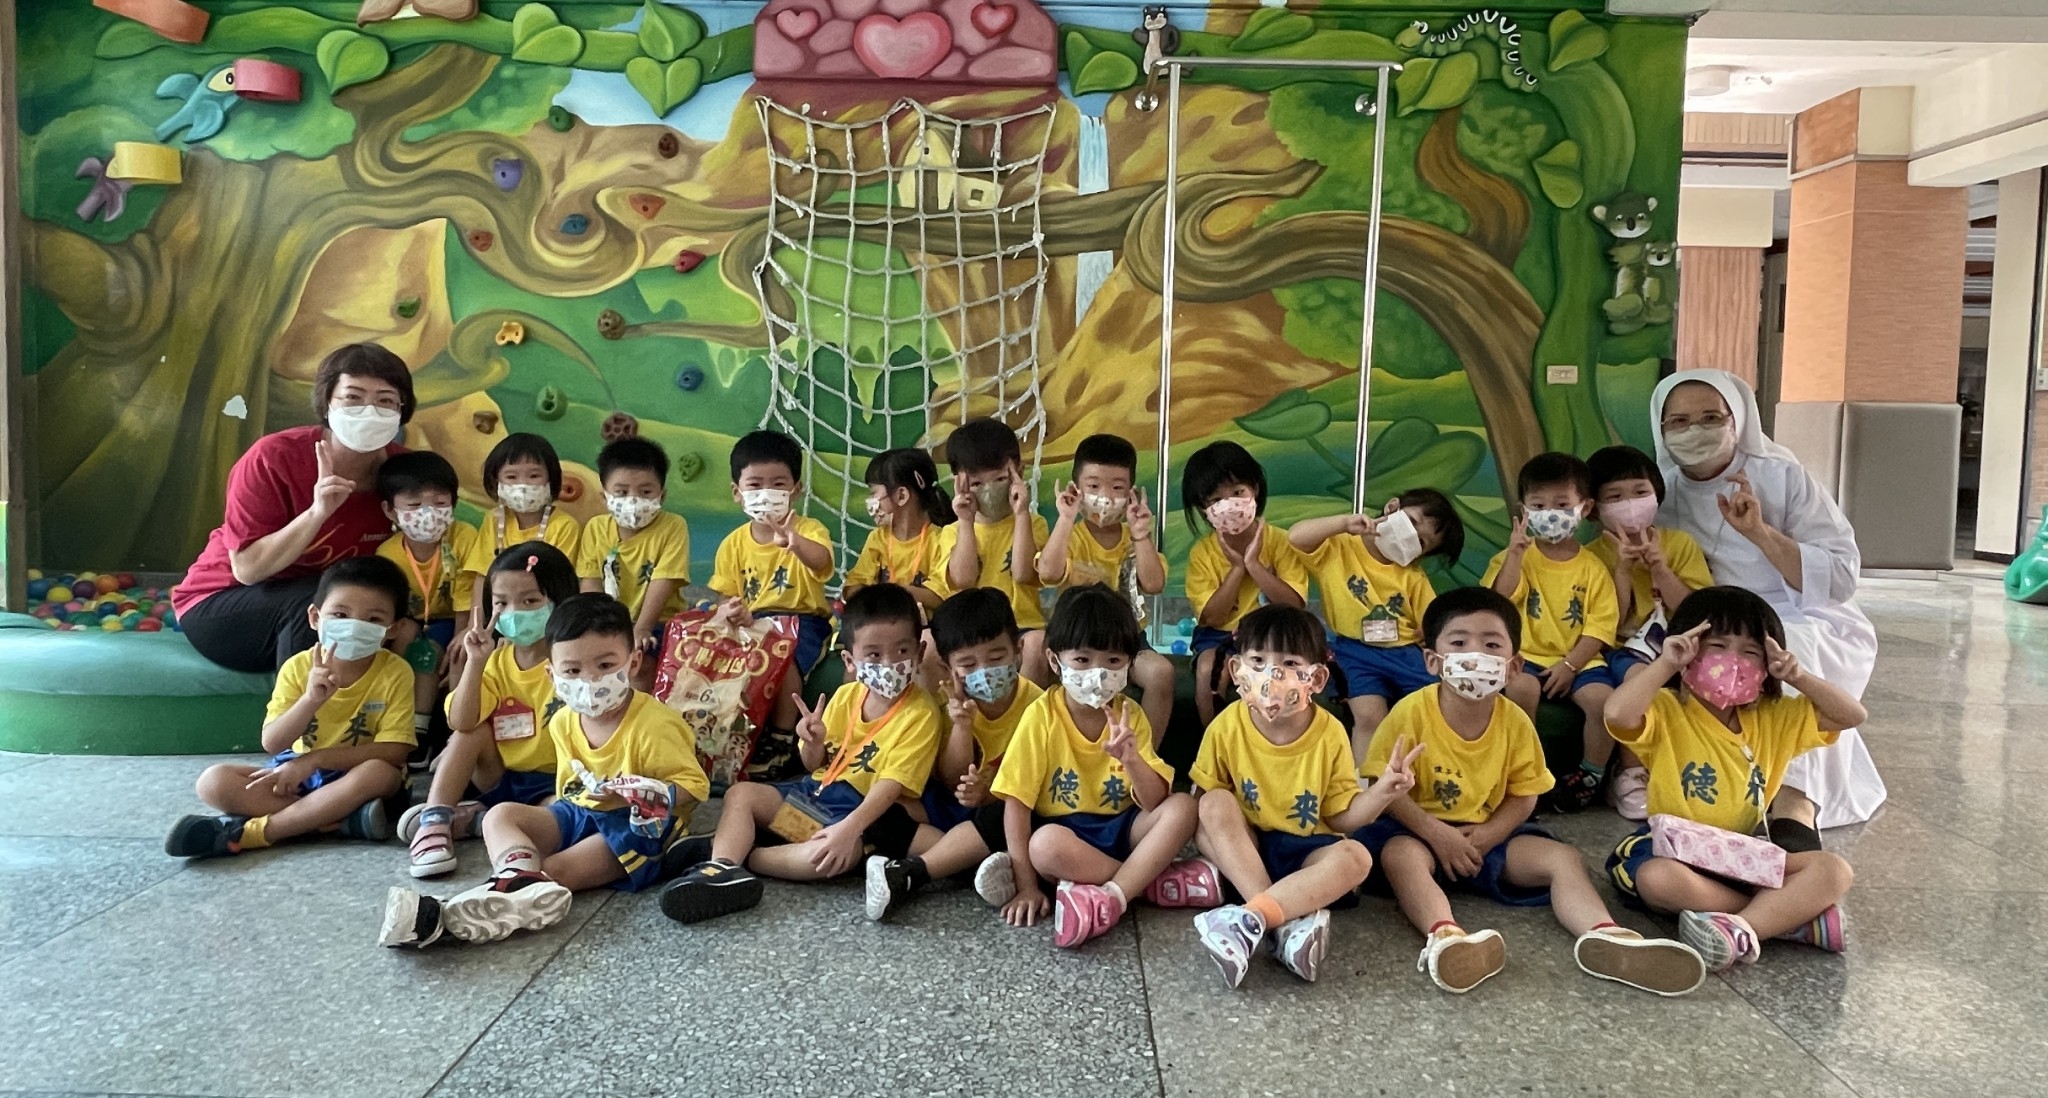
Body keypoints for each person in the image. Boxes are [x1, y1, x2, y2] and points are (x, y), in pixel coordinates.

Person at [1358, 587, 1705, 996]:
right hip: (1420, 832)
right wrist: (1437, 834)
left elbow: (1525, 795)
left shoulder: (1516, 722)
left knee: (1563, 858)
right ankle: (1446, 937)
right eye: (1459, 643)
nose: (1476, 653)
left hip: (1490, 834)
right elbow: (1386, 790)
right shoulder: (1409, 713)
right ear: (1433, 661)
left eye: (1492, 645)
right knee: (1400, 856)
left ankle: (1607, 935)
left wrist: (1491, 833)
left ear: (1514, 666)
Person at [379, 593, 710, 948]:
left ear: (633, 663)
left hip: (636, 827)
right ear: (552, 675)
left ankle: (446, 921)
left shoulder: (656, 724)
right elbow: (570, 789)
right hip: (579, 811)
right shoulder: (564, 720)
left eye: (605, 665)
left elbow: (695, 786)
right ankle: (518, 875)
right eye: (573, 671)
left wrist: (649, 793)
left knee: (555, 870)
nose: (590, 680)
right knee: (500, 816)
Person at [1649, 368, 1886, 833]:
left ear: (1737, 420)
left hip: (1803, 612)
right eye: (1678, 422)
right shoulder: (1662, 491)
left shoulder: (1782, 477)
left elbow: (1840, 577)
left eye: (1710, 417)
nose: (1694, 430)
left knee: (1784, 647)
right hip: (1708, 615)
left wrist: (1760, 533)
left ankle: (1795, 806)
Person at [1604, 586, 1862, 971]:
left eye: (1750, 652)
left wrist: (1799, 676)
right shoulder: (1668, 709)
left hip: (1740, 854)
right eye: (1717, 645)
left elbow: (1851, 715)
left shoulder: (1775, 716)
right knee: (1657, 879)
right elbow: (1616, 714)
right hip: (1674, 849)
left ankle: (1743, 926)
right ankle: (1790, 921)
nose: (1733, 660)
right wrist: (1666, 664)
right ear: (1690, 650)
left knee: (1834, 870)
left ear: (1768, 665)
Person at [659, 584, 944, 924]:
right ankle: (721, 867)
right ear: (850, 661)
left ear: (920, 651)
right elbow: (814, 765)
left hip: (856, 814)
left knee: (824, 858)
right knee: (742, 794)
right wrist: (812, 743)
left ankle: (739, 857)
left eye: (902, 651)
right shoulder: (846, 696)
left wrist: (847, 831)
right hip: (813, 796)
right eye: (874, 655)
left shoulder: (921, 713)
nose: (889, 664)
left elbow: (891, 786)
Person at [1186, 606, 1407, 988]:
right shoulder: (1226, 725)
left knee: (1357, 856)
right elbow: (1206, 804)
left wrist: (1381, 793)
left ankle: (1251, 919)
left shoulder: (1331, 732)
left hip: (1308, 856)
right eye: (1258, 661)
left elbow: (1340, 817)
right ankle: (1283, 924)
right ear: (1236, 670)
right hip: (1249, 853)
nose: (1271, 674)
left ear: (1316, 677)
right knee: (1211, 805)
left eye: (1289, 663)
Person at [986, 585, 1207, 949]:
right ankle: (1149, 883)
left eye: (1113, 661)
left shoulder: (1131, 714)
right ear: (1055, 661)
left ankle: (1112, 896)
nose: (1098, 673)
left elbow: (1154, 801)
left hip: (1123, 828)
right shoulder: (1040, 716)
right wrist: (1026, 886)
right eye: (1082, 660)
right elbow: (1017, 804)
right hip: (1068, 839)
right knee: (1043, 845)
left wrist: (1132, 759)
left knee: (1183, 806)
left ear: (1129, 665)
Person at [175, 344, 413, 672]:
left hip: (336, 605)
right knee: (325, 601)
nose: (369, 411)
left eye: (385, 400)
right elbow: (248, 570)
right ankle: (300, 706)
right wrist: (317, 512)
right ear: (327, 402)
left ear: (402, 409)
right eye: (353, 397)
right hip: (223, 604)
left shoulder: (407, 473)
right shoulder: (273, 458)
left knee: (383, 611)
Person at [165, 556, 415, 858]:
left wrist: (315, 760)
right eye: (340, 614)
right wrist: (311, 699)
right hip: (299, 775)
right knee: (214, 782)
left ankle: (256, 833)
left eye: (373, 620)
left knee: (379, 773)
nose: (354, 627)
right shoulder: (298, 667)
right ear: (315, 617)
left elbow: (395, 751)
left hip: (355, 776)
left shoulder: (395, 672)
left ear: (394, 628)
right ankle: (338, 821)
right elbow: (273, 743)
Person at [862, 586, 1045, 921]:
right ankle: (974, 863)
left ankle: (911, 873)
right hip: (952, 810)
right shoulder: (948, 705)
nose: (984, 671)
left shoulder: (1039, 707)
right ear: (948, 668)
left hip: (998, 812)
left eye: (996, 658)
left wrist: (988, 795)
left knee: (1008, 813)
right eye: (968, 664)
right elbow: (950, 780)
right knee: (881, 814)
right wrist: (961, 725)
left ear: (1018, 650)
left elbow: (1032, 789)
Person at [399, 542, 580, 878]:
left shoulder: (576, 663)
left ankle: (477, 820)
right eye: (501, 603)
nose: (514, 612)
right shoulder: (496, 662)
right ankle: (436, 820)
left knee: (565, 819)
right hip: (500, 776)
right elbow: (461, 720)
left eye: (530, 601)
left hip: (556, 784)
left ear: (561, 601)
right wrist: (476, 663)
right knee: (470, 732)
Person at [1586, 445, 1716, 820]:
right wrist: (1623, 571)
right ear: (1593, 508)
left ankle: (1703, 767)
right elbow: (1610, 622)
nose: (1629, 504)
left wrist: (1660, 569)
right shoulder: (1592, 555)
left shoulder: (1679, 544)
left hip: (1681, 643)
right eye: (1615, 497)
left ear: (1657, 494)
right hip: (1623, 649)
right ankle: (1631, 772)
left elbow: (1695, 610)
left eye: (1640, 492)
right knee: (1640, 679)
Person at [1484, 452, 1620, 811]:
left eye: (1562, 504)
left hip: (1579, 660)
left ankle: (1589, 777)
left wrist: (1570, 665)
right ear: (1524, 511)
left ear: (1584, 507)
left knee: (1603, 702)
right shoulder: (1514, 556)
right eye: (1539, 505)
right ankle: (1525, 771)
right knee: (1521, 688)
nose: (1551, 513)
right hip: (1524, 656)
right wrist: (1514, 556)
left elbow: (1600, 627)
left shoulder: (1593, 568)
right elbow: (1497, 601)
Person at [1289, 489, 1464, 755]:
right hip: (1355, 653)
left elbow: (1434, 621)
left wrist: (1429, 632)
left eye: (1421, 541)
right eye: (1412, 521)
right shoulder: (1338, 547)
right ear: (1392, 507)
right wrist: (1344, 523)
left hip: (1406, 654)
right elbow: (1296, 537)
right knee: (1369, 718)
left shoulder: (1413, 576)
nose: (1411, 536)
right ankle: (1366, 779)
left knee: (1435, 711)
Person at [708, 429, 838, 773]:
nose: (766, 493)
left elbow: (822, 562)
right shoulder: (733, 544)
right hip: (754, 620)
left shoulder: (808, 529)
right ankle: (731, 738)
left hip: (802, 620)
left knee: (782, 654)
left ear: (796, 489)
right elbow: (726, 595)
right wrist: (730, 611)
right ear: (737, 493)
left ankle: (781, 738)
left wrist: (795, 543)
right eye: (755, 485)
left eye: (778, 484)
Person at [1036, 435, 1176, 741]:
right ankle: (1037, 742)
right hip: (1074, 640)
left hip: (1126, 641)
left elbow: (1154, 584)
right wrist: (1065, 519)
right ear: (1076, 489)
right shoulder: (1070, 536)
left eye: (1117, 488)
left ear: (1131, 493)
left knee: (1161, 672)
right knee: (1035, 649)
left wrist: (1140, 535)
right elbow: (1048, 573)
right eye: (1094, 486)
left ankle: (1142, 755)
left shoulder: (1135, 539)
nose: (1105, 496)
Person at [1181, 442, 1308, 725]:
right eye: (1216, 499)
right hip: (1219, 635)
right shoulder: (1202, 553)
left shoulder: (1281, 541)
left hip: (1272, 634)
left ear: (1255, 490)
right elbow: (1211, 618)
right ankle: (1213, 741)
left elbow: (1294, 605)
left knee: (1272, 675)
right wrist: (1238, 569)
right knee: (1208, 671)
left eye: (1238, 492)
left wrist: (1254, 566)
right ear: (1203, 509)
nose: (1229, 505)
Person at [373, 450, 481, 758]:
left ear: (453, 504)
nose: (428, 513)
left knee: (449, 651)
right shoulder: (387, 553)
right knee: (407, 638)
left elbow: (466, 590)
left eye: (439, 502)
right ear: (390, 510)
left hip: (451, 620)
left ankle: (439, 732)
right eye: (414, 505)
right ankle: (403, 724)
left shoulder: (463, 537)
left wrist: (462, 634)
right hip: (411, 621)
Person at [939, 418, 1050, 685]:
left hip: (1022, 627)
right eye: (976, 484)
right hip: (970, 633)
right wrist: (966, 521)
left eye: (1000, 479)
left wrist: (1021, 513)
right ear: (959, 483)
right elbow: (964, 580)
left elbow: (1023, 573)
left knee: (1037, 645)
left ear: (1019, 473)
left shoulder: (1034, 523)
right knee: (930, 644)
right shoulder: (953, 531)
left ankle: (1027, 711)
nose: (989, 491)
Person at [576, 437, 691, 687]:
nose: (633, 500)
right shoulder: (595, 528)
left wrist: (642, 628)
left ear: (662, 495)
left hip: (658, 621)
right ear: (605, 497)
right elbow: (590, 582)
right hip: (608, 623)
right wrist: (600, 628)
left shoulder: (673, 526)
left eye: (645, 492)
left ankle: (638, 711)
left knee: (639, 666)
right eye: (622, 492)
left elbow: (664, 580)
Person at [465, 433, 583, 622]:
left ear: (551, 479)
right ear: (496, 482)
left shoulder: (565, 526)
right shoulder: (494, 520)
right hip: (499, 619)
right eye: (511, 476)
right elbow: (482, 576)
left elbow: (561, 586)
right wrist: (474, 625)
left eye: (534, 475)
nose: (523, 485)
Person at [845, 447, 953, 612]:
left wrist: (889, 593)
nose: (870, 501)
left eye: (873, 493)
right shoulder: (877, 538)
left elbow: (939, 598)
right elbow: (852, 588)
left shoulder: (940, 540)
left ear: (901, 496)